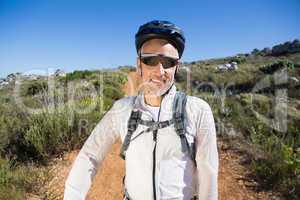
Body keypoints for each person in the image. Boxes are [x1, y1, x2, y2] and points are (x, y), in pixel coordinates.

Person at [64, 20, 219, 200]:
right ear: (139, 65)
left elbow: (208, 172)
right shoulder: (122, 109)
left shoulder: (198, 110)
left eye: (168, 62)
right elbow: (90, 155)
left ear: (177, 66)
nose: (160, 71)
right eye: (150, 60)